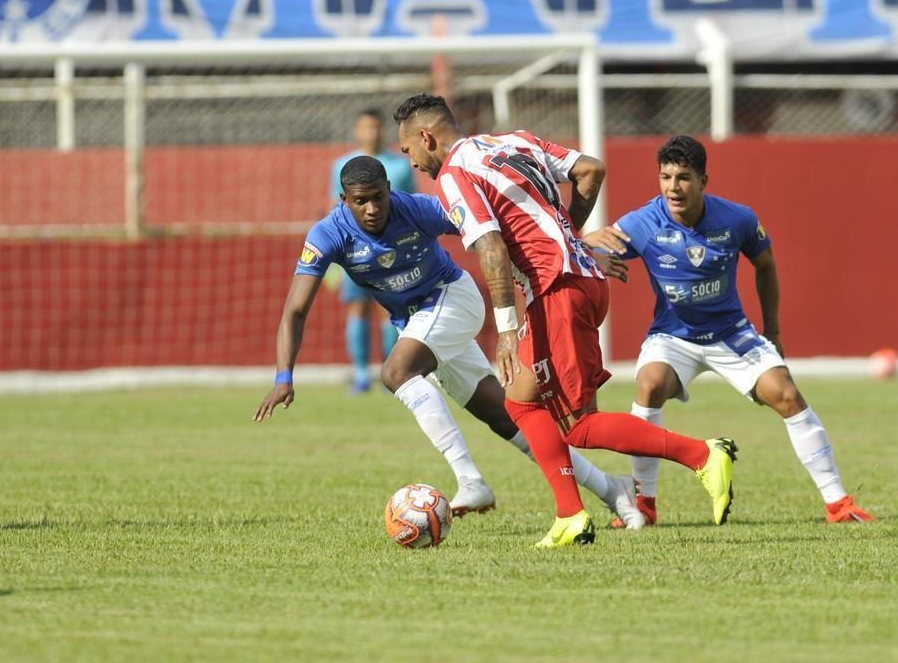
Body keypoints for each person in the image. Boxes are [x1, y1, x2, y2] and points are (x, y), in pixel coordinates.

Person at [393, 93, 736, 548]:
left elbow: (491, 247)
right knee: (521, 403)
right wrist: (570, 238)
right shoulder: (511, 141)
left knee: (578, 425)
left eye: (408, 151)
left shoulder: (456, 174)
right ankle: (570, 515)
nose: (412, 162)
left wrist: (507, 329)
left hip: (557, 291)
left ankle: (702, 455)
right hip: (582, 279)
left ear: (426, 137)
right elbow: (590, 168)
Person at [254, 156, 644, 526]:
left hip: (452, 297)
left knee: (396, 371)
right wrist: (283, 377)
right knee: (507, 419)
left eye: (378, 197)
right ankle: (612, 488)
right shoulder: (328, 234)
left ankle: (471, 481)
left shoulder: (418, 208)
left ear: (389, 189)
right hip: (418, 323)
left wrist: (575, 244)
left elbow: (496, 228)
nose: (372, 208)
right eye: (361, 201)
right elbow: (295, 310)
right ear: (344, 201)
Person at [583, 135, 871, 527]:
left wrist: (772, 330)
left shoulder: (737, 219)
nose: (672, 187)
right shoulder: (643, 222)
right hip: (673, 337)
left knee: (786, 395)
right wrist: (589, 245)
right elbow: (588, 247)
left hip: (731, 334)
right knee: (649, 386)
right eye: (665, 177)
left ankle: (838, 504)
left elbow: (766, 265)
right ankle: (644, 505)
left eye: (683, 177)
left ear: (703, 179)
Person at [329, 108, 416, 394]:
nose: (371, 133)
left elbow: (411, 206)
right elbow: (336, 211)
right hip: (354, 254)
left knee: (390, 311)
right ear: (357, 130)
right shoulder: (342, 165)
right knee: (358, 309)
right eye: (365, 127)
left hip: (393, 253)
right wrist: (333, 258)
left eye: (376, 127)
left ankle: (389, 372)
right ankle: (361, 375)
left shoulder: (400, 166)